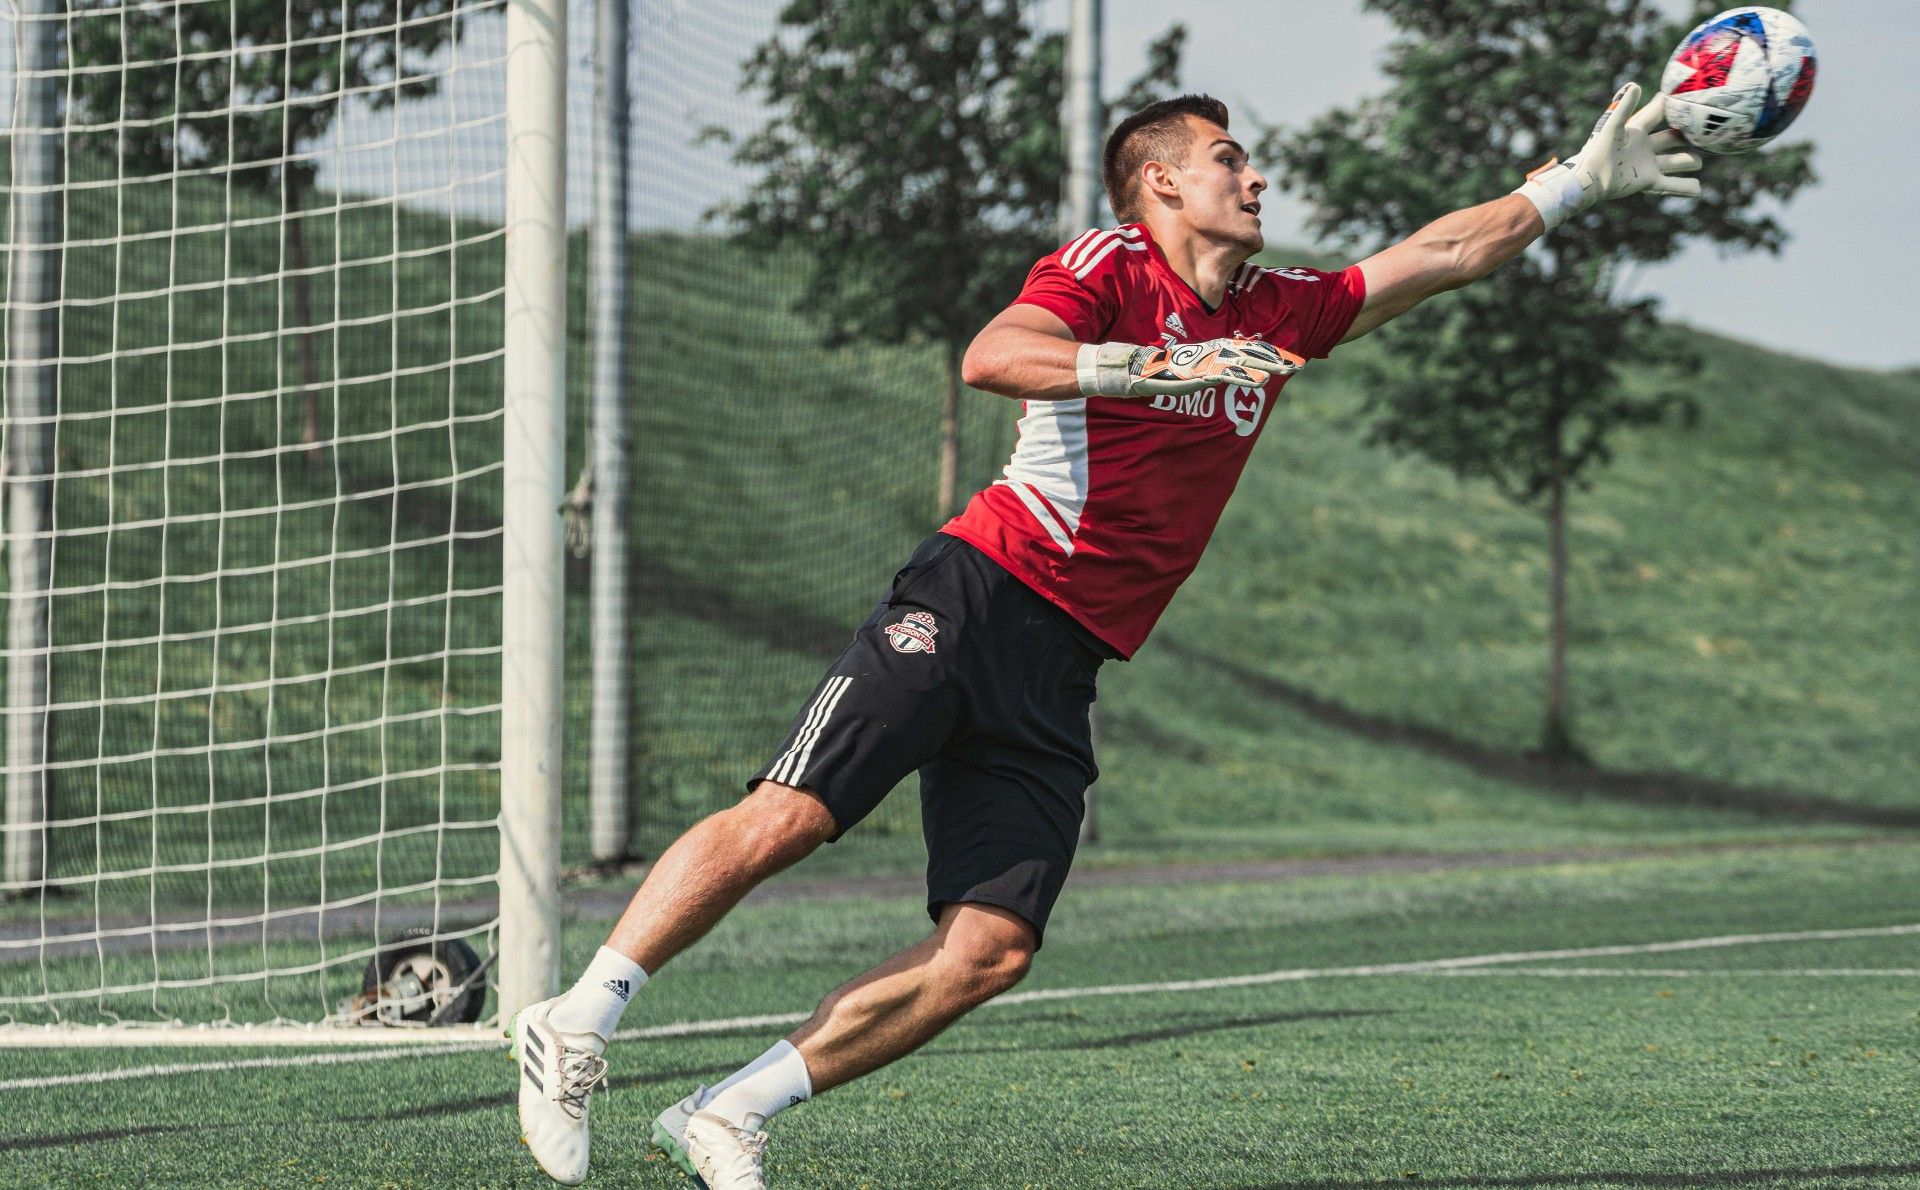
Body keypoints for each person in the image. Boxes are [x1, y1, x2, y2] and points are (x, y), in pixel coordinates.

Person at [512, 85, 1700, 1188]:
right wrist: (1151, 364)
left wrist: (1575, 185)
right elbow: (993, 354)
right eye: (1229, 160)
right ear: (1162, 185)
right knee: (795, 812)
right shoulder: (1108, 265)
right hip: (977, 590)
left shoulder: (1281, 312)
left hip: (1063, 662)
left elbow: (1442, 252)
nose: (1257, 178)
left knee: (989, 949)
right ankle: (580, 1016)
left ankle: (728, 1107)